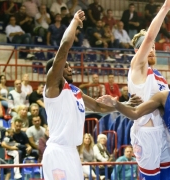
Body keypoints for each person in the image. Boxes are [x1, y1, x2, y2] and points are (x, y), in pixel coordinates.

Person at [42, 10, 141, 180]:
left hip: (72, 152)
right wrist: (74, 22)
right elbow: (65, 46)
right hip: (57, 150)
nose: (70, 68)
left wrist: (124, 105)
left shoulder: (75, 91)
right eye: (66, 66)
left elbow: (97, 106)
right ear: (56, 71)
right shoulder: (52, 87)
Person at [118, 0, 170, 179]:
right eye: (149, 47)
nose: (152, 50)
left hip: (163, 130)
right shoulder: (137, 66)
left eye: (154, 47)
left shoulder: (160, 77)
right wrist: (165, 8)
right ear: (137, 50)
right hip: (147, 132)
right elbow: (148, 38)